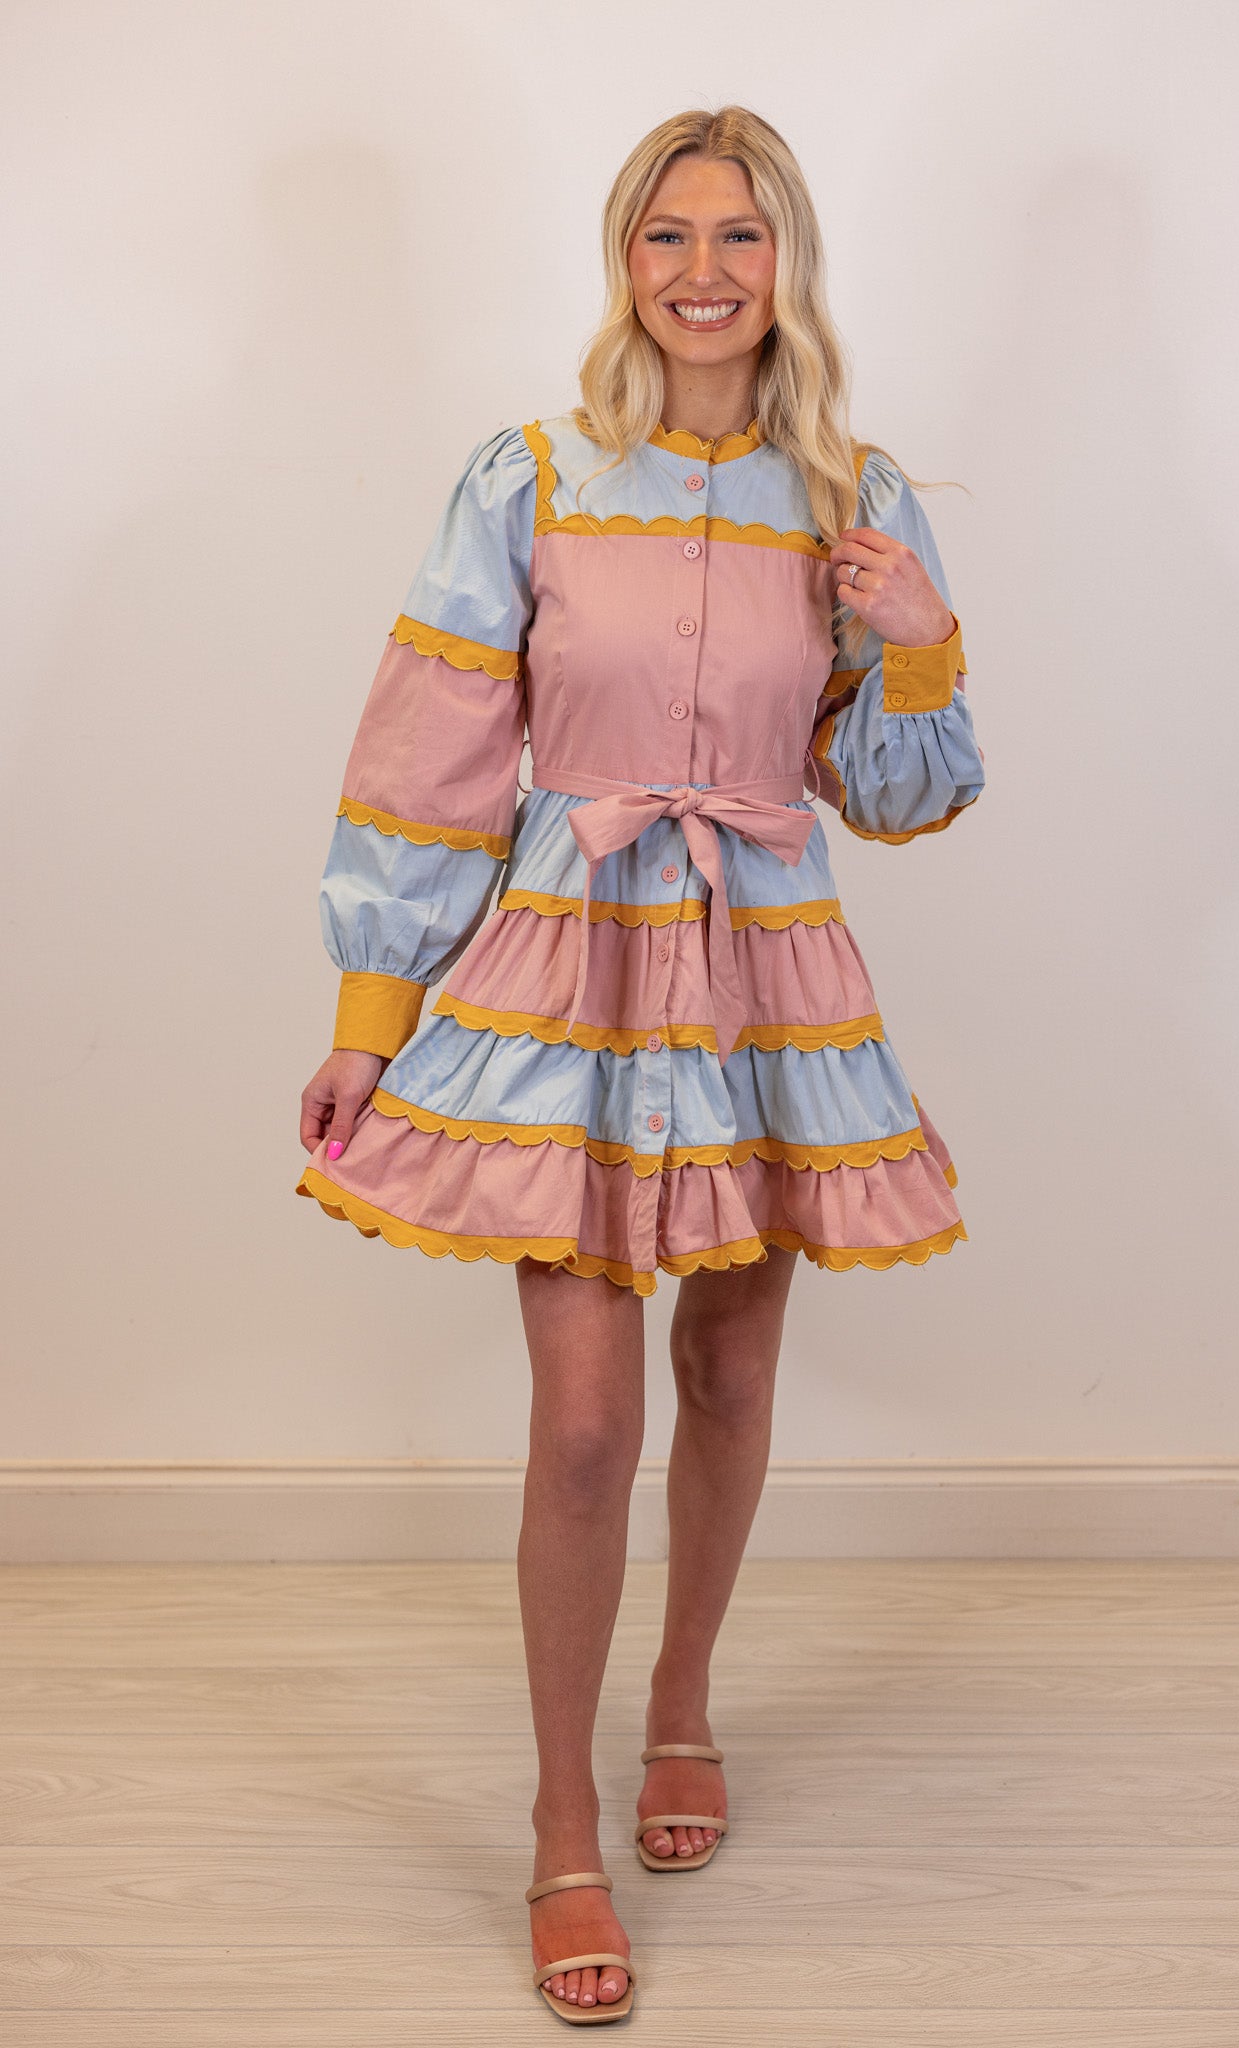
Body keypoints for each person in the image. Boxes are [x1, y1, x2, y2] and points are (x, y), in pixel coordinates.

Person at [297, 103, 984, 2025]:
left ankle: (682, 1702)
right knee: (588, 1425)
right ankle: (558, 1821)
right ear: (624, 260)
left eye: (738, 237)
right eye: (666, 235)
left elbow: (900, 792)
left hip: (763, 980)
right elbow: (430, 749)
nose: (702, 273)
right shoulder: (527, 477)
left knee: (732, 1370)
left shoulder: (854, 494)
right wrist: (369, 1022)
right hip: (567, 981)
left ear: (788, 263)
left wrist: (922, 642)